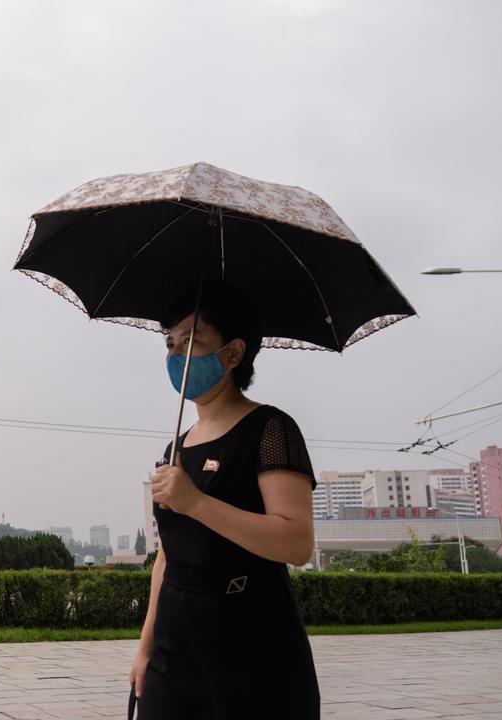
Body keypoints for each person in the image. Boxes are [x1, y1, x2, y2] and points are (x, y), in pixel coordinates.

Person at [130, 283, 320, 719]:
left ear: (234, 353)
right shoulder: (177, 446)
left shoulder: (271, 429)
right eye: (170, 343)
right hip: (174, 648)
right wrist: (145, 648)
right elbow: (168, 557)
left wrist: (195, 502)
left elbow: (296, 542)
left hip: (252, 642)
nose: (176, 355)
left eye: (191, 341)